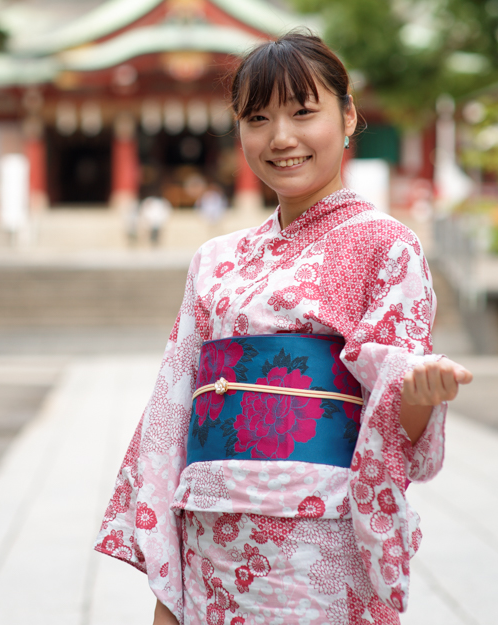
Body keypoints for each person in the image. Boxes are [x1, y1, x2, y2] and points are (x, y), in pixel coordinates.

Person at [94, 32, 473, 625]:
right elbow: (172, 409)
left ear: (348, 116)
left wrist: (419, 396)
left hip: (315, 538)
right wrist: (169, 589)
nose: (280, 138)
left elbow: (395, 415)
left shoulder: (385, 245)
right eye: (258, 119)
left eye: (303, 112)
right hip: (209, 532)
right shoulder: (214, 260)